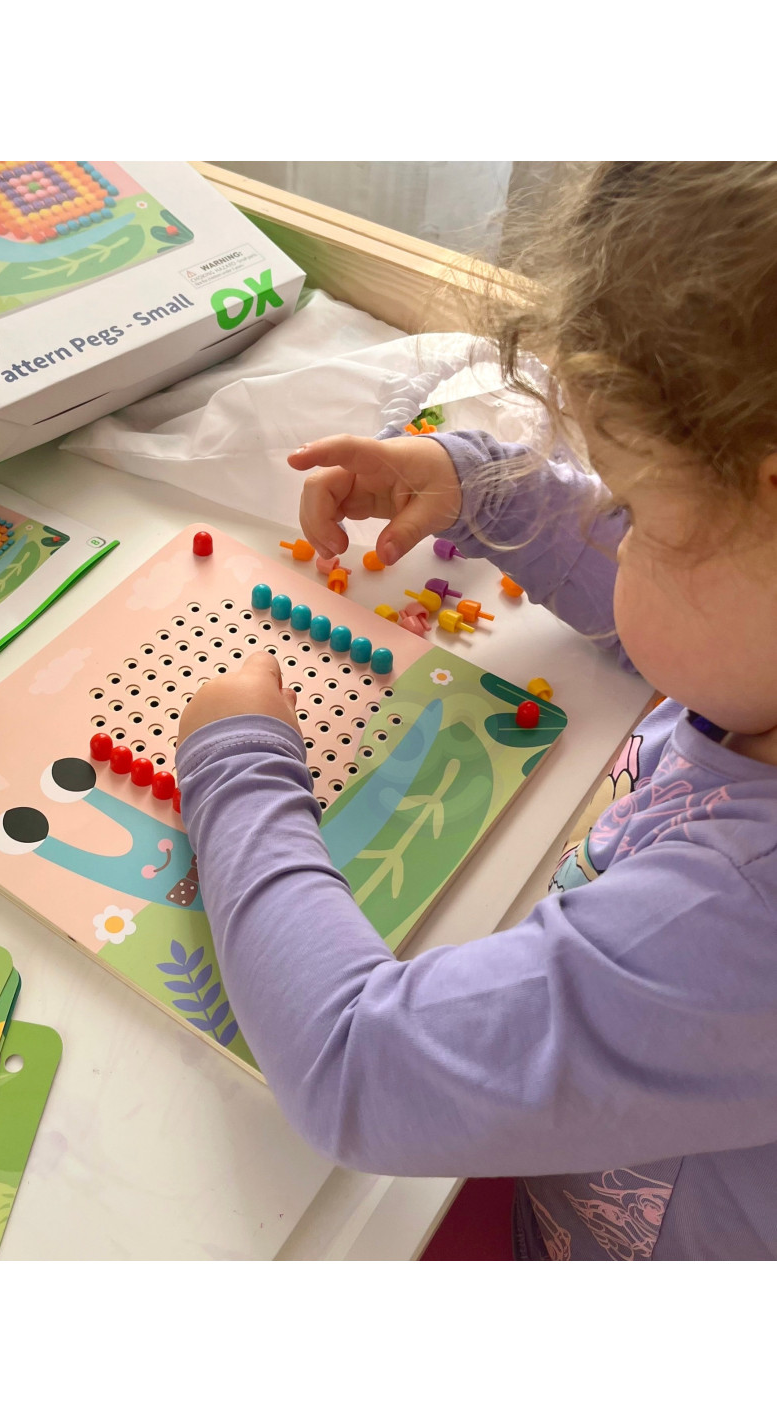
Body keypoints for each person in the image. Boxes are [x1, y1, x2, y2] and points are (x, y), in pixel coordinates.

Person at [173, 162, 777, 1260]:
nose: (610, 534)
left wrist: (236, 766)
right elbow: (716, 605)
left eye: (636, 512)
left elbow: (354, 1068)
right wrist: (488, 491)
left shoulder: (735, 926)